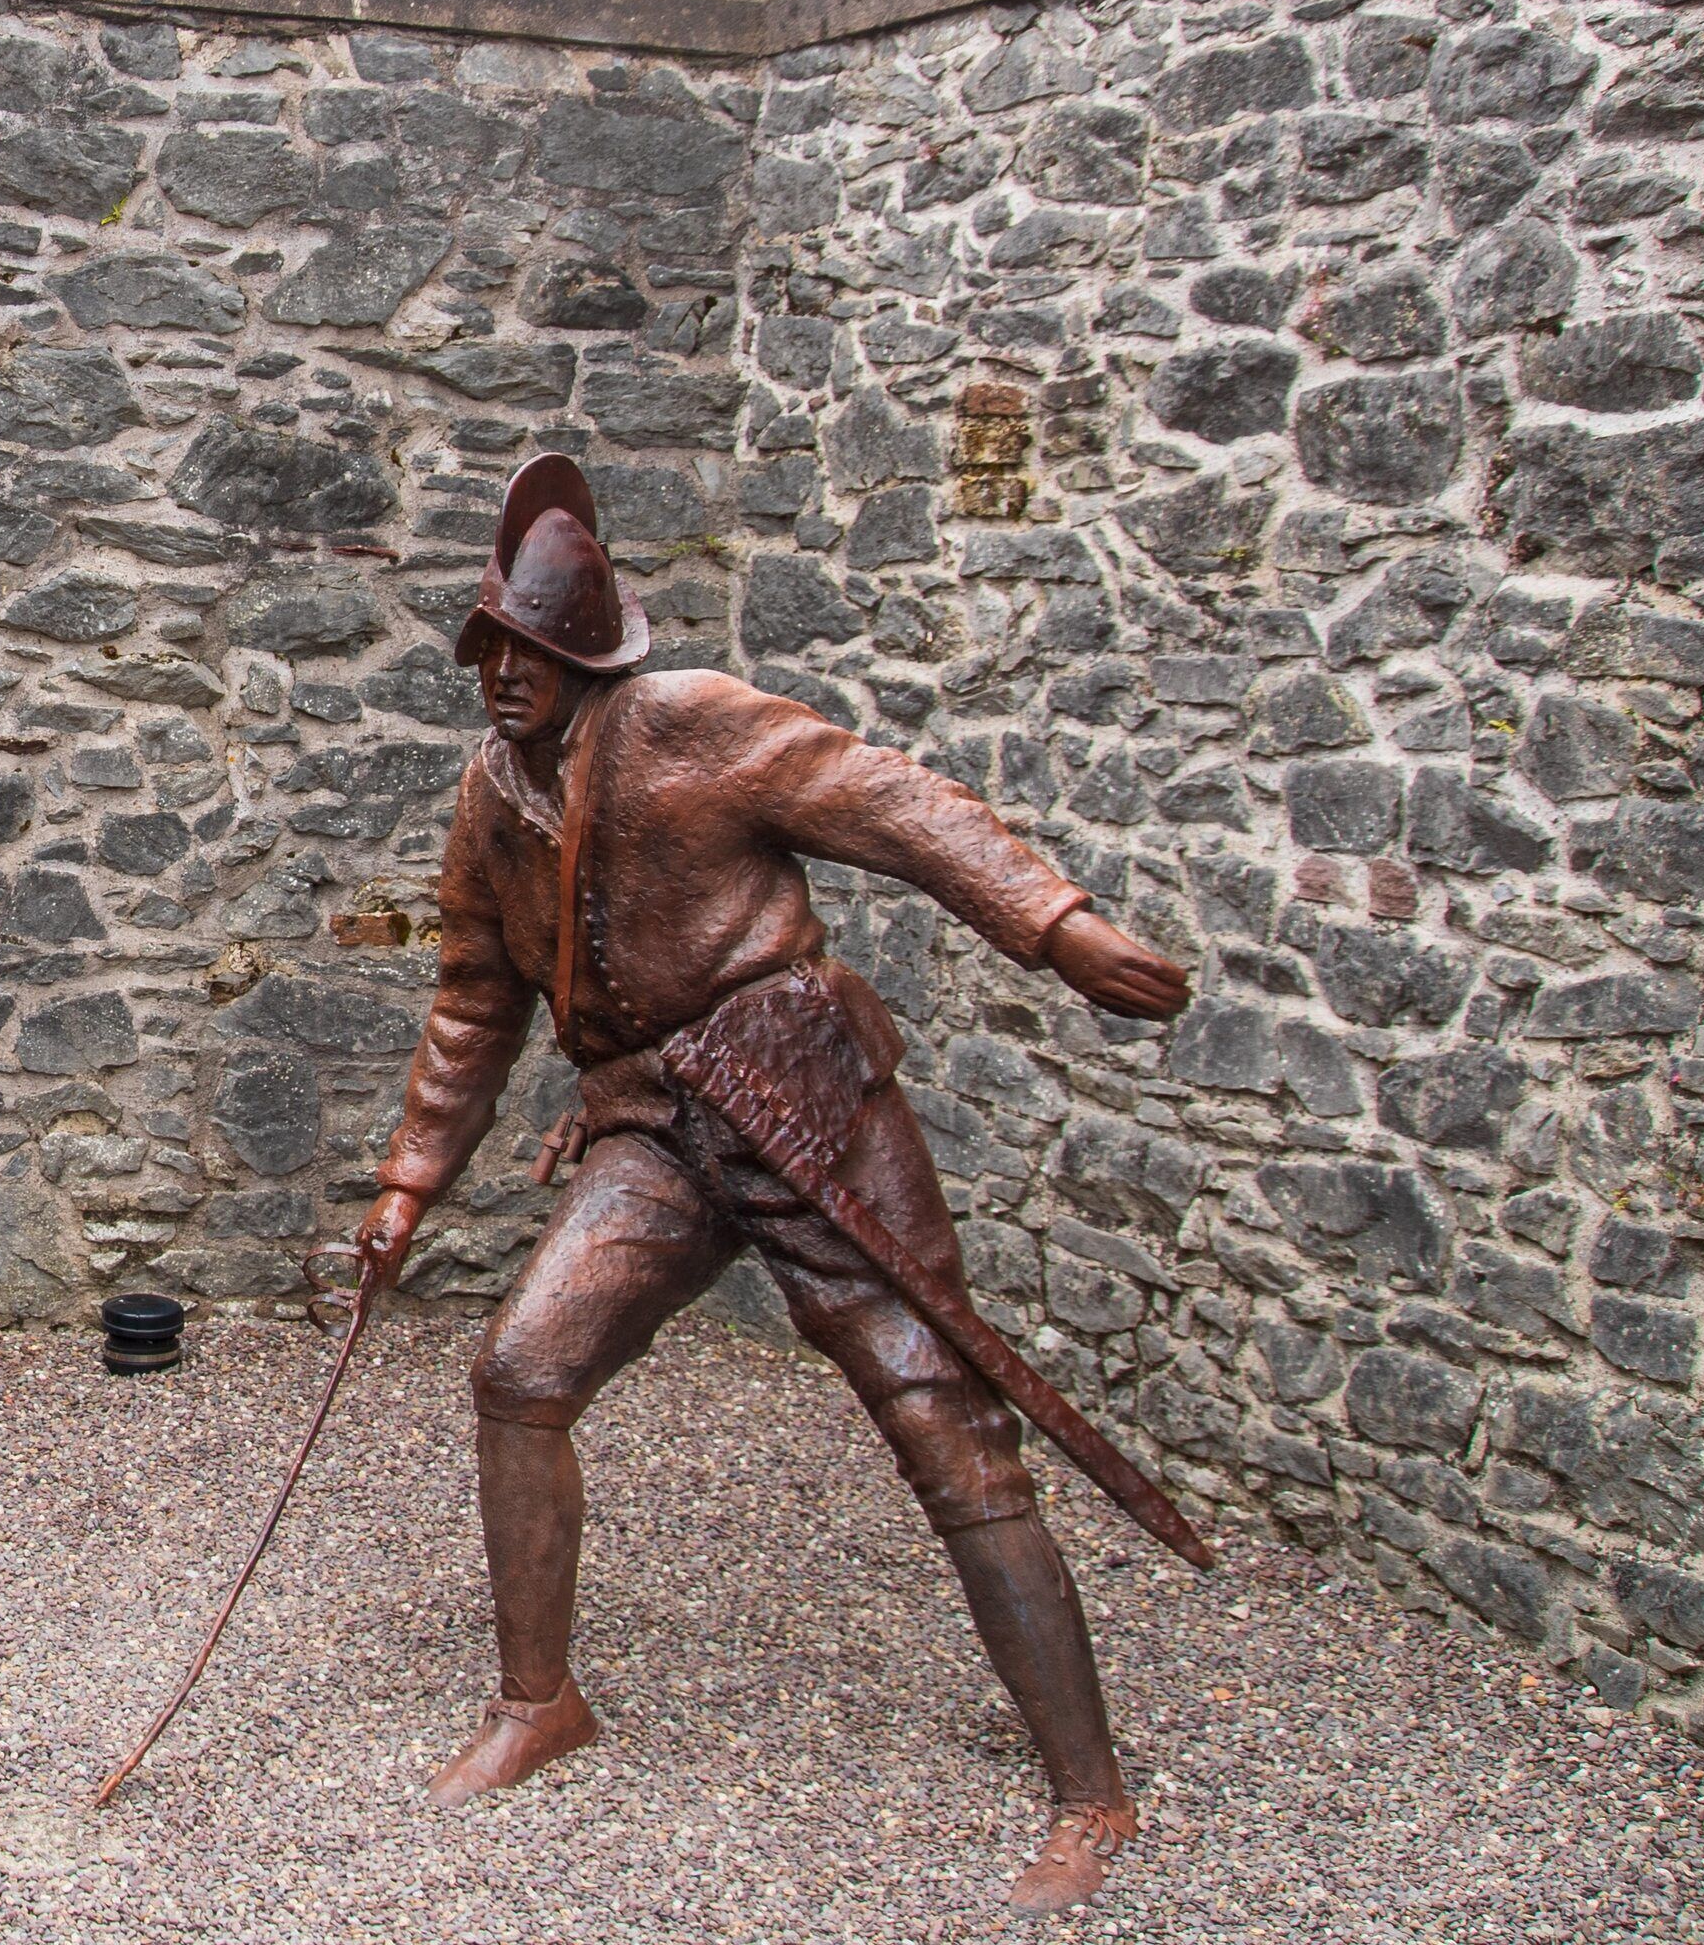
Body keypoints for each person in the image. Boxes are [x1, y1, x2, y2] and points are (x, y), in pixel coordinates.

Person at [350, 453, 1195, 1916]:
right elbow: (476, 997)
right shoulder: (490, 798)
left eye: (531, 652)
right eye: (489, 650)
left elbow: (888, 800)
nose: (505, 676)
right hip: (653, 1130)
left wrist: (1055, 927)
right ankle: (540, 1702)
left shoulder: (689, 721)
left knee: (941, 1419)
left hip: (805, 1104)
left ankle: (1090, 1790)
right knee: (522, 1369)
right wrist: (412, 1182)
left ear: (588, 654)